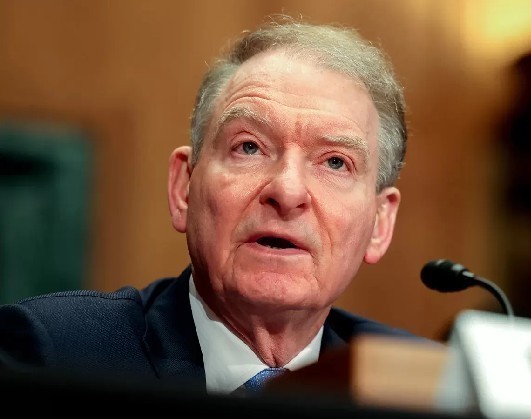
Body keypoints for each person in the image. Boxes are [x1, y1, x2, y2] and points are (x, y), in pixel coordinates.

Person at [0, 16, 422, 397]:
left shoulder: (421, 388)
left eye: (335, 162)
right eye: (249, 147)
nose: (287, 190)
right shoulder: (56, 354)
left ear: (379, 223)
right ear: (183, 187)